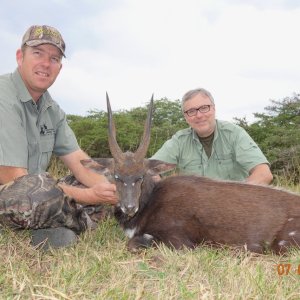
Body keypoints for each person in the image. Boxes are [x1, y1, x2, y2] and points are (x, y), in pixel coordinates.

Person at [0, 25, 117, 249]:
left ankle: (56, 223)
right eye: (38, 53)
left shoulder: (52, 109)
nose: (46, 63)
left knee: (103, 178)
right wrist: (91, 197)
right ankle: (78, 222)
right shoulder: (3, 95)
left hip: (35, 188)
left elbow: (81, 163)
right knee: (41, 191)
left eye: (54, 58)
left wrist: (114, 190)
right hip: (15, 188)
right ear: (19, 57)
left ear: (59, 68)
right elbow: (14, 178)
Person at [151, 88, 273, 185]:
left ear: (213, 108)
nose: (199, 115)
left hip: (232, 205)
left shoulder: (235, 134)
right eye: (191, 111)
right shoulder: (179, 140)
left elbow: (263, 174)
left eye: (204, 108)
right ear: (186, 116)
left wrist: (234, 198)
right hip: (193, 208)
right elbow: (148, 171)